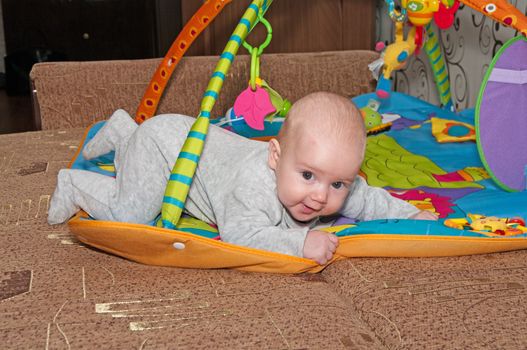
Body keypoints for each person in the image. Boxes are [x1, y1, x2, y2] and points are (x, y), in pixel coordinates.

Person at [48, 92, 437, 264]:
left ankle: (123, 132)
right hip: (165, 147)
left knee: (343, 192)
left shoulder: (330, 183)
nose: (320, 196)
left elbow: (368, 199)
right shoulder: (254, 185)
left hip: (183, 135)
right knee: (132, 213)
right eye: (307, 175)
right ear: (275, 155)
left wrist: (411, 215)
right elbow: (239, 234)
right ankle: (75, 181)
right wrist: (299, 241)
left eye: (337, 184)